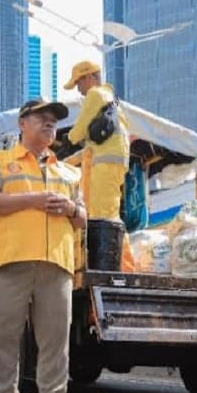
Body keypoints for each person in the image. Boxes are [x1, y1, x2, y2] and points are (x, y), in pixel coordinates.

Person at [0, 98, 86, 393]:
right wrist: (33, 200)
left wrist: (70, 208)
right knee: (3, 337)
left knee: (54, 340)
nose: (50, 124)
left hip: (56, 264)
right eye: (42, 118)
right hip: (11, 261)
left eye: (54, 120)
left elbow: (83, 217)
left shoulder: (68, 171)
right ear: (22, 124)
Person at [64, 60, 135, 272]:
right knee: (107, 211)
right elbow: (89, 149)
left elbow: (76, 134)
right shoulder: (111, 101)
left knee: (102, 215)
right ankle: (121, 264)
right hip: (110, 164)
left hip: (105, 165)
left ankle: (108, 267)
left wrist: (67, 139)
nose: (78, 89)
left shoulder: (96, 95)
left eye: (78, 82)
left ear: (89, 77)